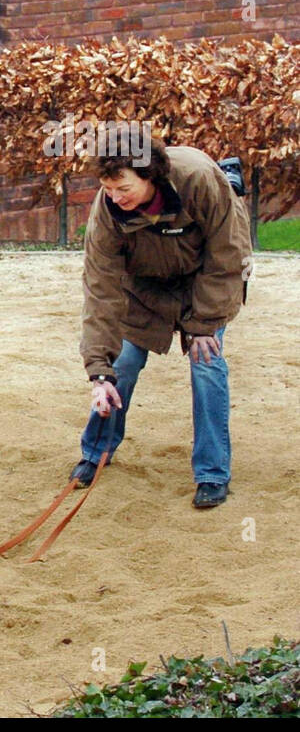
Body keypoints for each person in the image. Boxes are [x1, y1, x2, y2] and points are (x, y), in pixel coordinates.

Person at [71, 137, 251, 508]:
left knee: (207, 362)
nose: (115, 196)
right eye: (107, 188)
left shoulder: (199, 179)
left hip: (205, 281)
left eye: (124, 188)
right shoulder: (108, 209)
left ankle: (212, 473)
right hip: (143, 288)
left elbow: (228, 256)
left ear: (150, 176)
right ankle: (96, 452)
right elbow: (101, 289)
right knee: (122, 363)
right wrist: (98, 371)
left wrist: (203, 324)